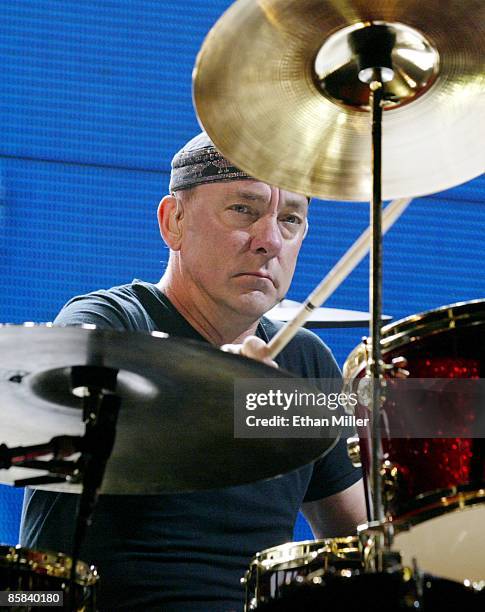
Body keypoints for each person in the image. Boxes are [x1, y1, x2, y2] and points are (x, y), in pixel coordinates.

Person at [20, 133, 366, 611]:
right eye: (244, 210)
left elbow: (361, 541)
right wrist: (212, 397)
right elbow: (59, 441)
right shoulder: (110, 325)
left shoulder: (303, 363)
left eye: (291, 220)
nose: (269, 241)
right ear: (173, 221)